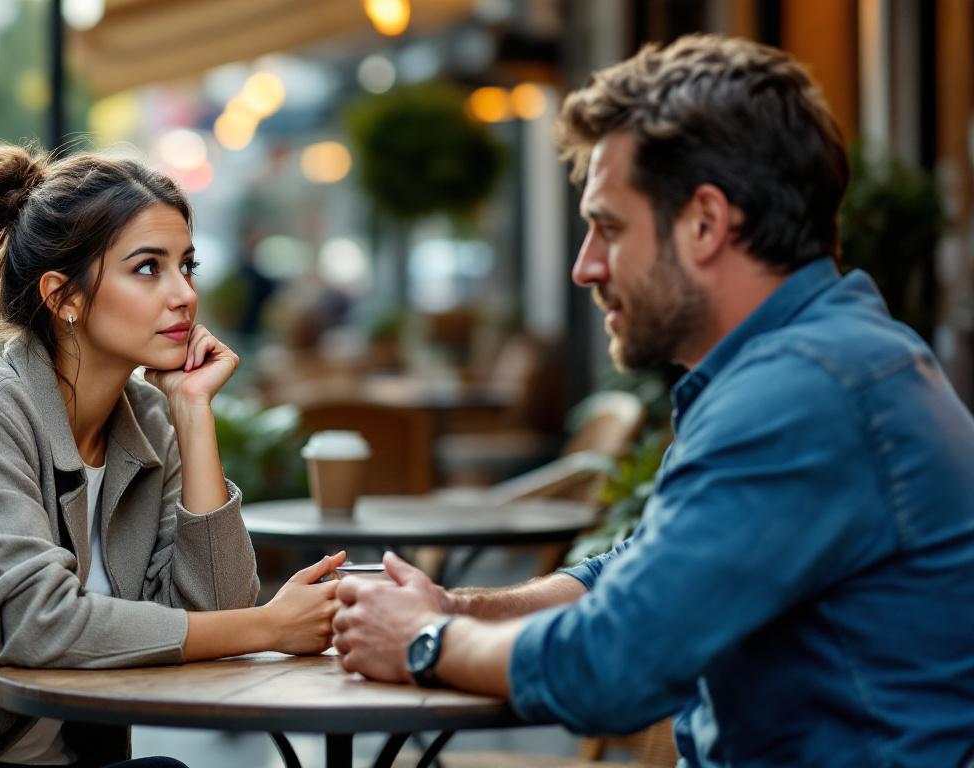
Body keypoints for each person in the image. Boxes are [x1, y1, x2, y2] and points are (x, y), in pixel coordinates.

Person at [331, 34, 974, 767]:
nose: (584, 267)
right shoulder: (811, 363)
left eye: (608, 227)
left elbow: (612, 666)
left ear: (705, 222)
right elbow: (639, 571)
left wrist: (423, 643)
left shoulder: (805, 391)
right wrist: (458, 608)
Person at [0, 145, 344, 768]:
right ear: (64, 297)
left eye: (186, 266)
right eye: (147, 268)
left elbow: (215, 611)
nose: (184, 295)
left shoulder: (145, 420)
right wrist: (269, 628)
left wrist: (193, 414)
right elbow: (40, 625)